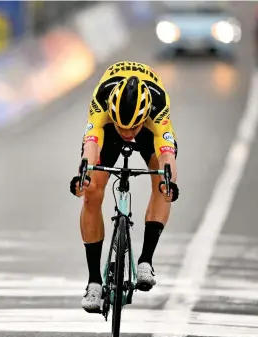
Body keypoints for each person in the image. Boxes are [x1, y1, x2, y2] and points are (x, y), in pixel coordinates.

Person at [69, 61, 179, 313]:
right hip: (106, 129)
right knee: (91, 192)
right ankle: (94, 281)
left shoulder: (158, 104)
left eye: (133, 128)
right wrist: (82, 175)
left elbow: (166, 154)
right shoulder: (101, 98)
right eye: (123, 128)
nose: (128, 133)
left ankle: (146, 261)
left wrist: (169, 181)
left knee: (163, 182)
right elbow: (91, 145)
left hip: (150, 131)